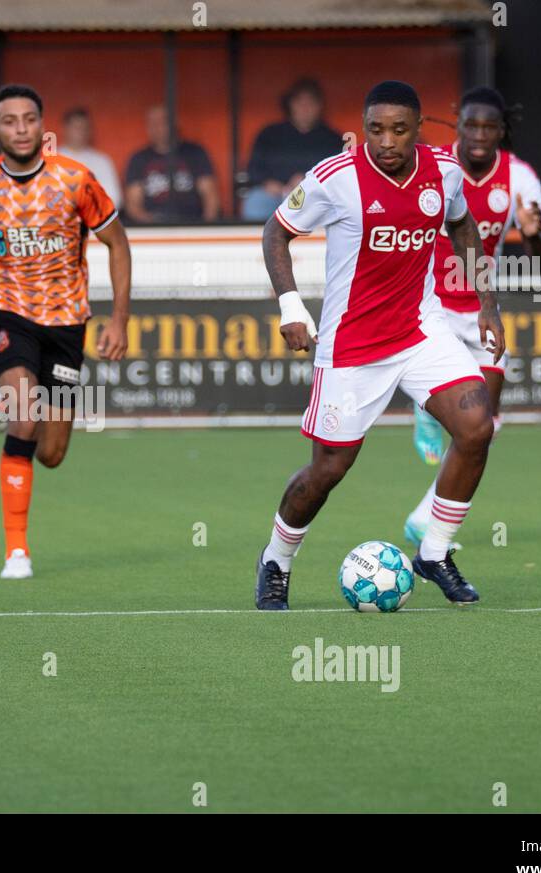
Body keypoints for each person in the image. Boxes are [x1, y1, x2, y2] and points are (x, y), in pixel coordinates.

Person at [256, 80, 503, 610]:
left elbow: (462, 228)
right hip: (351, 346)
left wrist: (488, 304)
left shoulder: (445, 171)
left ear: (418, 129)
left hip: (420, 329)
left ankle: (434, 553)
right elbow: (275, 232)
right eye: (375, 129)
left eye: (398, 130)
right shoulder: (335, 178)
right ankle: (276, 559)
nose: (386, 141)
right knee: (328, 471)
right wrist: (292, 307)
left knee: (477, 425)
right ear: (362, 127)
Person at [0, 84, 132, 579]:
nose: (20, 128)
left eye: (28, 119)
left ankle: (12, 402)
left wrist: (120, 318)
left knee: (52, 453)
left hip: (66, 320)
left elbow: (117, 242)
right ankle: (17, 552)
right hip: (5, 311)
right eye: (9, 121)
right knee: (23, 416)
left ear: (42, 126)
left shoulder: (76, 180)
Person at [403, 86, 541, 544]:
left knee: (486, 424)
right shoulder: (433, 164)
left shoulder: (520, 178)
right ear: (458, 125)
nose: (480, 135)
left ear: (502, 130)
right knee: (466, 413)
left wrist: (532, 234)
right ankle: (426, 407)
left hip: (481, 308)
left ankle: (423, 516)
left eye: (490, 127)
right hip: (430, 304)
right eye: (472, 125)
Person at [242, 78, 344, 222]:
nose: (305, 108)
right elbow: (253, 169)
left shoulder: (332, 138)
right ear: (290, 104)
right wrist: (269, 184)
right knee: (256, 201)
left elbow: (341, 177)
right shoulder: (269, 133)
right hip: (274, 195)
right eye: (299, 102)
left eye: (311, 103)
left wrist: (308, 184)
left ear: (320, 106)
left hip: (315, 197)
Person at [123, 105, 218, 223]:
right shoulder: (139, 158)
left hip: (192, 222)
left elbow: (210, 196)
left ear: (175, 124)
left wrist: (205, 229)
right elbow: (133, 205)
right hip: (153, 225)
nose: (157, 127)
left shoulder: (195, 153)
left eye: (162, 121)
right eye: (152, 123)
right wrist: (152, 227)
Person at [58, 108, 122, 205]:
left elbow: (114, 197)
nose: (80, 132)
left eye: (84, 128)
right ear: (65, 129)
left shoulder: (102, 160)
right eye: (76, 127)